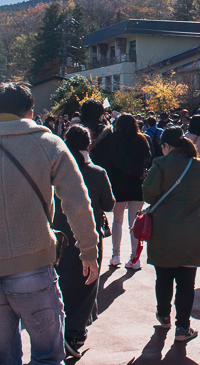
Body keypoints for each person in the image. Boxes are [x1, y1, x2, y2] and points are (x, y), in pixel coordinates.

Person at [0, 83, 99, 365]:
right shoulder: (49, 144)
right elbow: (78, 202)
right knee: (48, 357)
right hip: (35, 268)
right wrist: (88, 250)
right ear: (30, 112)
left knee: (2, 360)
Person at [144, 128, 200, 343]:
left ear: (165, 146)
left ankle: (164, 315)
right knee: (186, 282)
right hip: (193, 231)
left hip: (164, 229)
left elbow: (148, 193)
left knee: (163, 277)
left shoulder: (160, 164)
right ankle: (183, 327)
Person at [55, 125, 114, 357]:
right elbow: (109, 204)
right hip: (89, 235)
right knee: (88, 282)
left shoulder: (56, 170)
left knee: (61, 281)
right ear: (88, 144)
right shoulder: (97, 173)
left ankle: (59, 328)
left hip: (59, 235)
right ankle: (74, 333)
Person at [92, 113, 152, 270]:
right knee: (135, 223)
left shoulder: (113, 139)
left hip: (118, 184)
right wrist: (139, 170)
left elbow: (114, 160)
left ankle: (115, 255)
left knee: (117, 220)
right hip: (137, 184)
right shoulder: (142, 139)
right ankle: (135, 258)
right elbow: (148, 159)